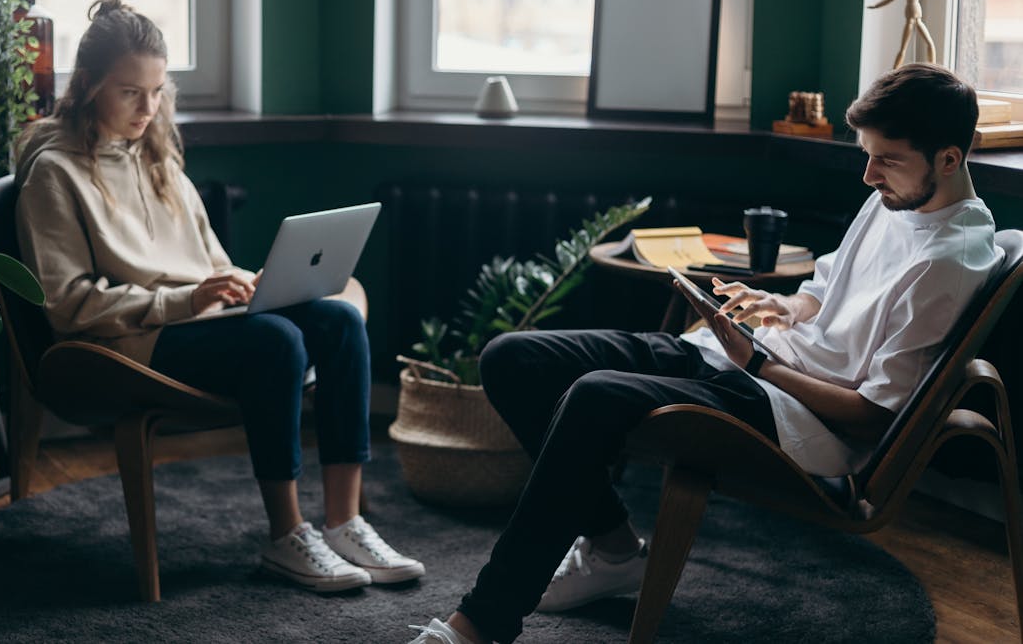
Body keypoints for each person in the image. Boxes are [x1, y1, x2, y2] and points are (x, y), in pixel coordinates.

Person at [407, 63, 1001, 643]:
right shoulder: (894, 196)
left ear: (950, 158)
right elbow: (826, 292)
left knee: (595, 396)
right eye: (866, 154)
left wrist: (757, 363)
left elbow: (874, 415)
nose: (868, 175)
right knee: (512, 358)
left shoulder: (946, 264)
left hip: (794, 417)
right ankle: (614, 550)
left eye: (887, 160)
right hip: (751, 363)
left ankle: (481, 625)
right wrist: (779, 308)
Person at [14, 0, 423, 594]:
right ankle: (286, 535)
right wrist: (186, 301)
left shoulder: (159, 160)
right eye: (130, 92)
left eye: (157, 91)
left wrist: (247, 283)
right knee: (275, 340)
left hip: (193, 322)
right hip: (129, 343)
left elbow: (206, 264)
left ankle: (345, 521)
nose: (148, 109)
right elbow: (69, 305)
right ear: (91, 85)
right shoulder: (54, 174)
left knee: (338, 320)